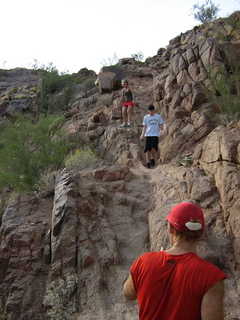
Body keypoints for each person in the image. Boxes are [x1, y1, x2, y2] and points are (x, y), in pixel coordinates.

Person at [123, 202, 227, 320]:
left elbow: (128, 293)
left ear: (170, 229)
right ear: (201, 233)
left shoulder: (144, 261)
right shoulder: (211, 277)